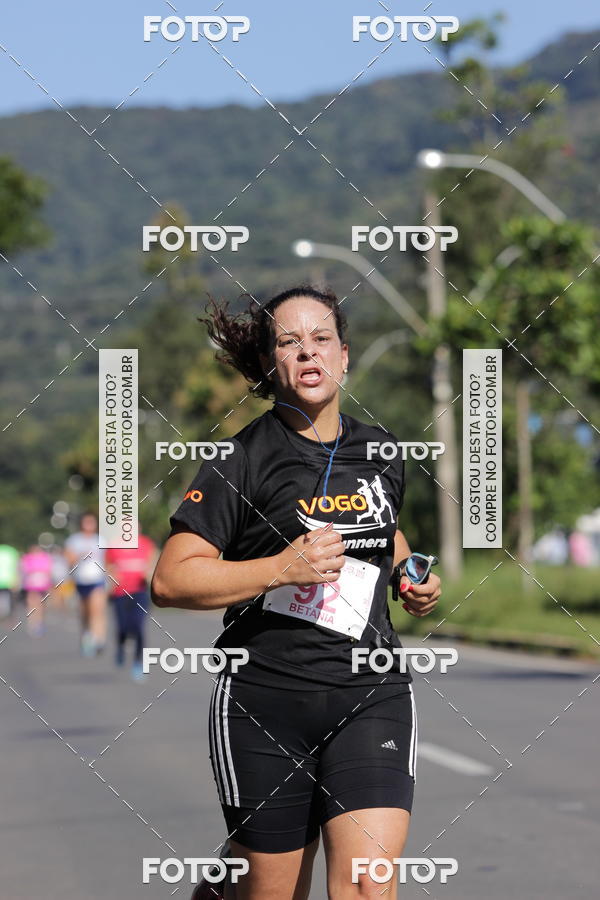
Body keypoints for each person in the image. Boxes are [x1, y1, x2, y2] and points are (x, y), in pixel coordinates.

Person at [152, 286, 442, 899]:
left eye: (321, 339)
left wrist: (409, 575)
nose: (307, 352)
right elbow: (172, 579)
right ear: (268, 363)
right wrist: (279, 568)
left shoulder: (382, 451)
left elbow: (384, 531)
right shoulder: (241, 460)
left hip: (371, 692)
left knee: (369, 887)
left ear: (344, 357)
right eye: (288, 341)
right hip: (265, 702)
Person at [105, 532, 158, 682]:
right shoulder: (113, 545)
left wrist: (149, 574)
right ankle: (121, 647)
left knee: (139, 626)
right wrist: (112, 576)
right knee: (122, 626)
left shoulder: (146, 543)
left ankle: (137, 662)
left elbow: (153, 563)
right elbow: (107, 567)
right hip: (119, 592)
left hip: (139, 592)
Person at [64, 513, 107, 656]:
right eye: (86, 522)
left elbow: (107, 560)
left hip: (97, 579)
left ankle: (99, 640)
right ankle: (86, 635)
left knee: (97, 610)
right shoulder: (74, 540)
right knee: (84, 612)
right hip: (81, 580)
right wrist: (79, 555)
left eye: (91, 522)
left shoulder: (100, 540)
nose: (89, 525)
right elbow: (68, 560)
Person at [20, 543, 53, 637]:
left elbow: (48, 571)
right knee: (31, 604)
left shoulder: (45, 558)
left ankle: (39, 623)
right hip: (31, 585)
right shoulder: (27, 558)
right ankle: (32, 624)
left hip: (42, 585)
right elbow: (24, 570)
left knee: (40, 605)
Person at [0, 542, 20, 619]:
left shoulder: (12, 551)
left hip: (7, 580)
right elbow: (16, 567)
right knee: (9, 599)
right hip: (9, 580)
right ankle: (7, 616)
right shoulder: (12, 551)